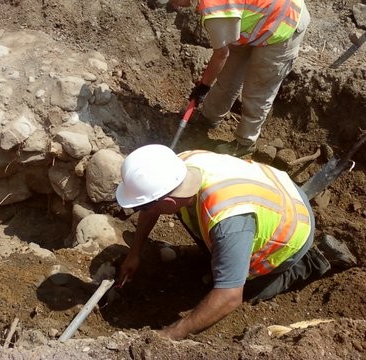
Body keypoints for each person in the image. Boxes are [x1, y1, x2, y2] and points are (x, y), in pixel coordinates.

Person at [115, 144, 357, 340]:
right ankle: (226, 256)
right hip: (274, 190)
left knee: (246, 289)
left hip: (292, 231)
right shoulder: (182, 164)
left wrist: (170, 334)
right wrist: (134, 252)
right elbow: (152, 204)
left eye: (141, 206)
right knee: (214, 240)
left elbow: (230, 296)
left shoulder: (226, 220)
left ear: (167, 203)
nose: (140, 211)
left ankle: (315, 261)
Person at [168, 0, 310, 157]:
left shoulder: (214, 7)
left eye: (172, 0)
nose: (174, 5)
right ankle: (208, 116)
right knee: (229, 73)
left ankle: (244, 143)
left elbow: (221, 54)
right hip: (257, 20)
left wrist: (203, 87)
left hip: (285, 25)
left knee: (257, 89)